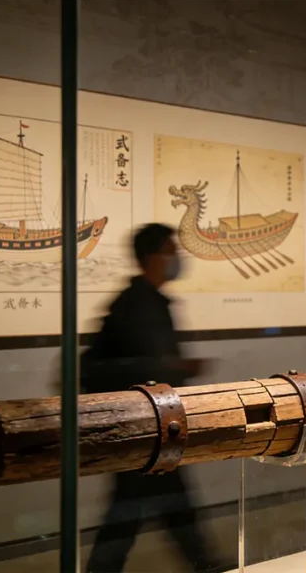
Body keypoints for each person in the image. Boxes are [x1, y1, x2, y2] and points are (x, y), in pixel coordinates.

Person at [81, 223, 215, 572]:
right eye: (172, 251)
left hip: (153, 427)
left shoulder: (145, 301)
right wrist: (177, 367)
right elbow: (139, 366)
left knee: (150, 510)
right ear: (153, 257)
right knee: (137, 512)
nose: (177, 259)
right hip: (142, 428)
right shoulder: (138, 304)